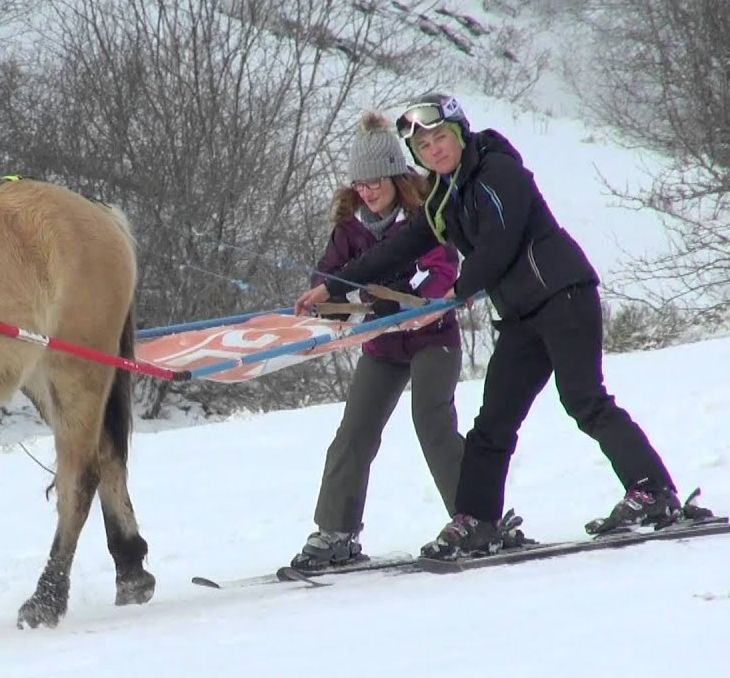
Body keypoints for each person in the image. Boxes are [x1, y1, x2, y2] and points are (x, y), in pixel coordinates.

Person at [295, 93, 708, 560]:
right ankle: (478, 520)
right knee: (492, 424)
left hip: (563, 296)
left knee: (584, 400)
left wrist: (451, 296)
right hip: (520, 316)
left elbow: (498, 243)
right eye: (424, 147)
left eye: (440, 138)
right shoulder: (445, 195)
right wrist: (333, 287)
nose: (435, 150)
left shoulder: (497, 172)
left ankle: (653, 491)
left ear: (459, 133)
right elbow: (402, 246)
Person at [288, 110, 472, 571]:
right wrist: (322, 302)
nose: (367, 192)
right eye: (360, 184)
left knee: (432, 422)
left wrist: (416, 304)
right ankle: (336, 532)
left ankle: (476, 515)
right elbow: (330, 277)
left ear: (395, 176)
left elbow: (442, 269)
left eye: (376, 182)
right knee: (354, 432)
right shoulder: (350, 228)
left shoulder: (422, 215)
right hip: (382, 346)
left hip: (432, 337)